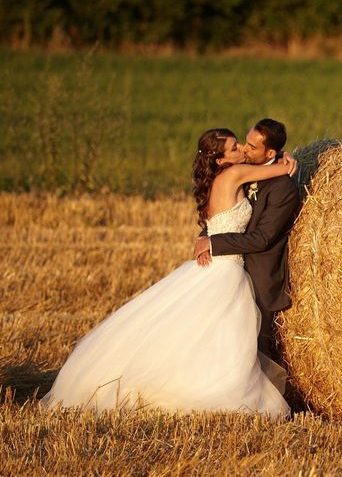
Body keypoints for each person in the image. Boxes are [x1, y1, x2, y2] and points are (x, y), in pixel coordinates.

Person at [41, 128, 296, 418]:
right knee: (224, 337)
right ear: (222, 160)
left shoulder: (221, 176)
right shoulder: (234, 174)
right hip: (225, 269)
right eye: (236, 147)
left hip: (217, 264)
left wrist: (280, 157)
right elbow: (281, 169)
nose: (242, 150)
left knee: (197, 334)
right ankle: (210, 390)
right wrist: (287, 161)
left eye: (244, 145)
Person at [193, 119, 301, 363]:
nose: (243, 148)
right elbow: (221, 214)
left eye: (252, 146)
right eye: (242, 143)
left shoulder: (283, 188)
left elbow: (262, 238)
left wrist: (213, 243)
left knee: (255, 349)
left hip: (258, 275)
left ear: (269, 152)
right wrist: (207, 237)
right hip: (229, 268)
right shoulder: (238, 171)